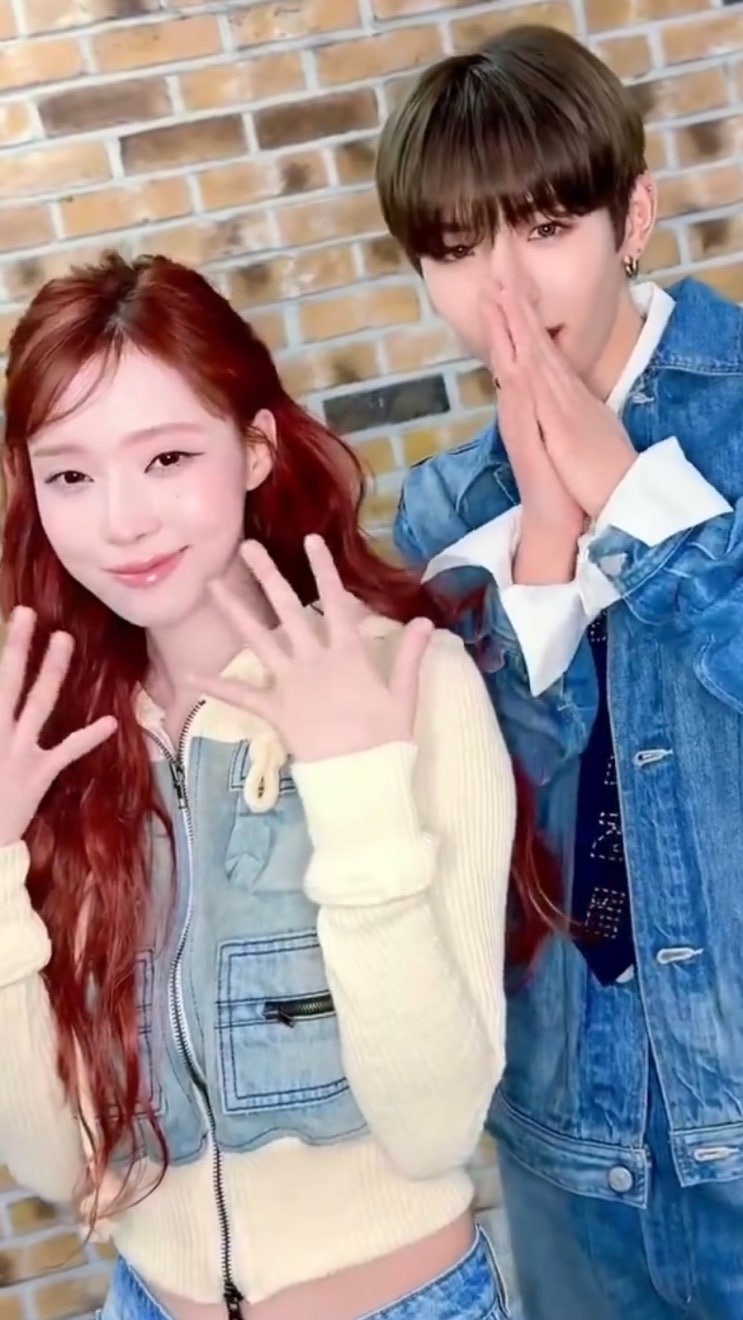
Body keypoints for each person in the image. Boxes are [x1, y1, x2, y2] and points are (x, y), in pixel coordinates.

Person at [0, 250, 529, 1320]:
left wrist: (355, 787)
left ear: (252, 449)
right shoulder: (47, 740)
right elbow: (55, 1164)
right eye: (70, 475)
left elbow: (433, 1128)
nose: (121, 521)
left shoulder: (403, 681)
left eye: (166, 458)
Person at [376, 23, 743, 1320]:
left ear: (628, 216)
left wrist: (633, 505)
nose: (502, 287)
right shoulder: (443, 512)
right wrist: (539, 543)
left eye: (542, 228)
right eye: (453, 247)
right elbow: (489, 843)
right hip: (569, 1160)